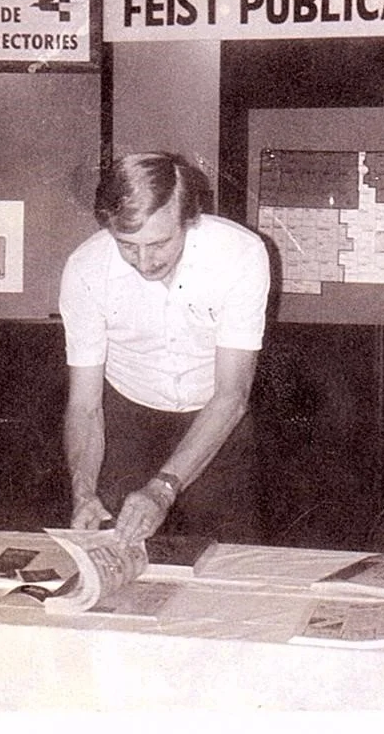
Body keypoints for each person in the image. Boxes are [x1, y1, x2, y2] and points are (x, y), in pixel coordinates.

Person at [58, 152, 271, 546]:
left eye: (158, 243)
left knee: (229, 563)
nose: (144, 261)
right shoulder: (85, 269)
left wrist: (164, 487)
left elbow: (231, 395)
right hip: (127, 416)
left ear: (189, 220)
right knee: (116, 553)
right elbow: (85, 405)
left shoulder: (241, 255)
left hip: (215, 418)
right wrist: (83, 492)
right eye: (127, 245)